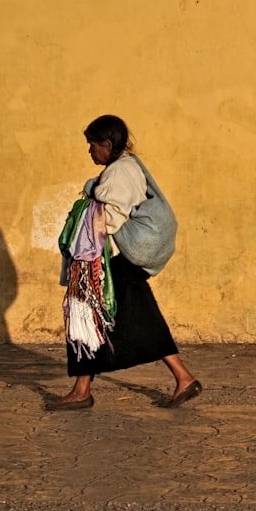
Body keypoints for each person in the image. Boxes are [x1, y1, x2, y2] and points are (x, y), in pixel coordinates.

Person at [49, 114, 201, 410]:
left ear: (106, 144)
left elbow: (109, 214)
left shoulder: (120, 172)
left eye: (92, 145)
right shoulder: (125, 167)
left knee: (88, 306)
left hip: (136, 253)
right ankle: (182, 377)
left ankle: (83, 390)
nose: (90, 151)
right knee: (128, 311)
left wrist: (89, 206)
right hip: (134, 258)